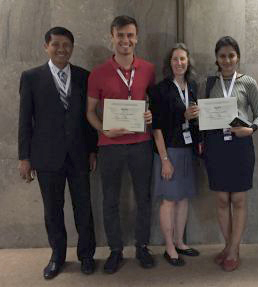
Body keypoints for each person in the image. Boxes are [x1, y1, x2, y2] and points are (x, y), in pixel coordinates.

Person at [18, 27, 97, 279]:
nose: (62, 49)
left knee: (83, 207)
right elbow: (24, 121)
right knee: (52, 209)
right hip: (46, 156)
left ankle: (86, 256)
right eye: (56, 44)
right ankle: (57, 257)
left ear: (72, 48)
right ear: (46, 47)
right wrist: (24, 157)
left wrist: (92, 150)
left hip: (79, 155)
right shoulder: (31, 77)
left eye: (67, 45)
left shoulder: (84, 76)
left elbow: (89, 118)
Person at [86, 15, 156, 274]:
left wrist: (150, 115)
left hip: (141, 143)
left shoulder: (148, 69)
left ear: (136, 38)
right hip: (110, 146)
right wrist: (104, 129)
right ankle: (115, 250)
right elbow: (90, 112)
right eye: (120, 35)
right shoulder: (98, 73)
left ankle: (142, 247)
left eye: (130, 35)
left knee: (143, 198)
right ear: (112, 37)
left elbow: (152, 103)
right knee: (110, 200)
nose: (125, 40)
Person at [203, 36, 258, 272]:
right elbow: (204, 114)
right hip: (216, 145)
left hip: (240, 145)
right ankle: (229, 246)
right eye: (222, 56)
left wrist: (251, 129)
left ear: (237, 57)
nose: (227, 60)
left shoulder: (247, 82)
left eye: (231, 55)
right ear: (216, 59)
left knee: (238, 199)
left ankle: (233, 249)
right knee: (221, 199)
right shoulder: (209, 83)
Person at [149, 43, 200, 267]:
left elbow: (196, 119)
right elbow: (157, 127)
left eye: (182, 59)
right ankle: (169, 247)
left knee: (184, 198)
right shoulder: (161, 89)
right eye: (175, 59)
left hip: (187, 150)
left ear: (188, 62)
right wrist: (164, 160)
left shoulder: (193, 86)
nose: (179, 63)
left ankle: (180, 241)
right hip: (168, 151)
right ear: (169, 63)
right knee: (169, 200)